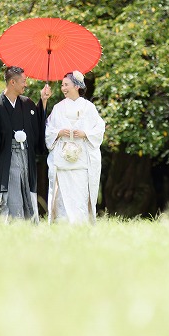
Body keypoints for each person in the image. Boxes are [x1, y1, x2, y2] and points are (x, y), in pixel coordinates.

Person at [0, 65, 51, 221]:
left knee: (26, 187)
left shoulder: (27, 104)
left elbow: (38, 123)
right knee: (11, 189)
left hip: (25, 156)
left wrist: (44, 101)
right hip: (6, 157)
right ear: (13, 82)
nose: (26, 84)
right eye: (23, 81)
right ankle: (12, 222)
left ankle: (28, 223)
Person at [44, 71, 105, 223]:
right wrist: (59, 132)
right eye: (62, 85)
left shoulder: (88, 107)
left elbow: (99, 128)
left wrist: (85, 133)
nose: (63, 88)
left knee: (80, 196)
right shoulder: (58, 108)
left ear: (77, 86)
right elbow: (48, 130)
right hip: (63, 162)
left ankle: (80, 226)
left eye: (66, 85)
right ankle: (62, 224)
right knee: (62, 199)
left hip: (82, 162)